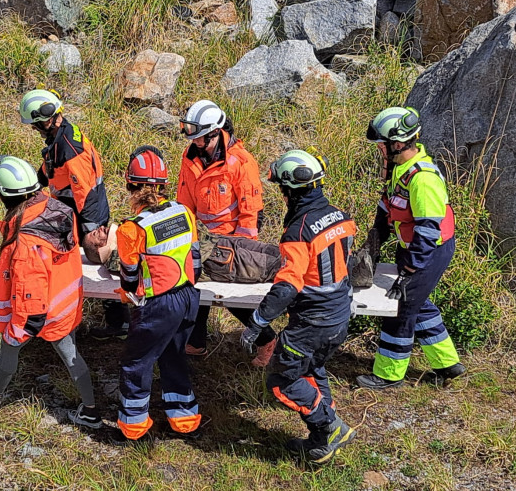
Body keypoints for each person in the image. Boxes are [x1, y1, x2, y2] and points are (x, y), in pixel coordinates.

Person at [0, 156, 101, 429]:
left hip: (40, 310)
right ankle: (91, 411)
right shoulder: (60, 210)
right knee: (71, 355)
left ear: (5, 195)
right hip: (65, 304)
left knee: (8, 348)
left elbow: (31, 289)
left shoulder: (25, 240)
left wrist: (21, 327)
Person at [241, 150, 358, 463]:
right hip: (339, 314)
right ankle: (321, 443)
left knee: (283, 380)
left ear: (291, 189)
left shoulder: (299, 231)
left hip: (313, 321)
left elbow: (287, 285)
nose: (280, 192)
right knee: (313, 369)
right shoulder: (341, 217)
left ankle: (330, 426)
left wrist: (257, 320)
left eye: (281, 187)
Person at [356, 106, 466, 390]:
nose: (379, 151)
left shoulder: (423, 179)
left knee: (400, 309)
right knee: (419, 305)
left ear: (397, 144)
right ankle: (448, 364)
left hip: (428, 252)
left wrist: (409, 268)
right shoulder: (400, 170)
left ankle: (388, 375)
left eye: (381, 145)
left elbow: (428, 231)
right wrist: (375, 240)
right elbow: (388, 206)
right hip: (413, 248)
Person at [18, 89, 131, 340]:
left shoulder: (70, 147)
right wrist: (34, 185)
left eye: (36, 125)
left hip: (86, 214)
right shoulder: (61, 137)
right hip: (76, 211)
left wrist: (91, 231)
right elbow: (52, 167)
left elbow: (86, 191)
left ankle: (118, 322)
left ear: (45, 119)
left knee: (99, 264)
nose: (34, 129)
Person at [113, 146, 203, 443]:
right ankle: (185, 419)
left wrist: (128, 293)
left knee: (136, 362)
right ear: (164, 185)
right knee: (172, 355)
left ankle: (133, 426)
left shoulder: (131, 228)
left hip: (158, 304)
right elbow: (196, 259)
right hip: (189, 297)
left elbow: (128, 275)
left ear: (130, 185)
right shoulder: (184, 213)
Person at [176, 99, 270, 357]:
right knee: (194, 287)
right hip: (201, 238)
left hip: (232, 241)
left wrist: (241, 250)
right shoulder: (190, 157)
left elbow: (251, 211)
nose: (195, 142)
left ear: (216, 132)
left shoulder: (240, 161)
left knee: (232, 297)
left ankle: (266, 340)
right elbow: (184, 200)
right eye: (193, 137)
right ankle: (195, 342)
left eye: (200, 138)